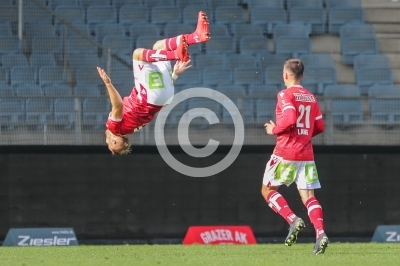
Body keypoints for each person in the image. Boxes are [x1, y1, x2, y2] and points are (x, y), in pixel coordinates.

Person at [97, 11, 210, 155]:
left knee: (159, 46)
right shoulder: (114, 128)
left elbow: (157, 105)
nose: (109, 143)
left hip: (163, 98)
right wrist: (108, 83)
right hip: (149, 97)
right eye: (112, 146)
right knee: (138, 54)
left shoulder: (131, 128)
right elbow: (117, 105)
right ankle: (176, 54)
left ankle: (196, 36)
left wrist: (174, 75)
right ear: (115, 140)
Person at [262, 58, 329, 254]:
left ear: (285, 75)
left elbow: (290, 118)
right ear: (303, 75)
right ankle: (320, 234)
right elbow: (320, 127)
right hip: (306, 154)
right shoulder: (311, 96)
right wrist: (305, 135)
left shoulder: (285, 94)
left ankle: (293, 219)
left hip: (286, 152)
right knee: (309, 196)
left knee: (267, 190)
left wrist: (275, 129)